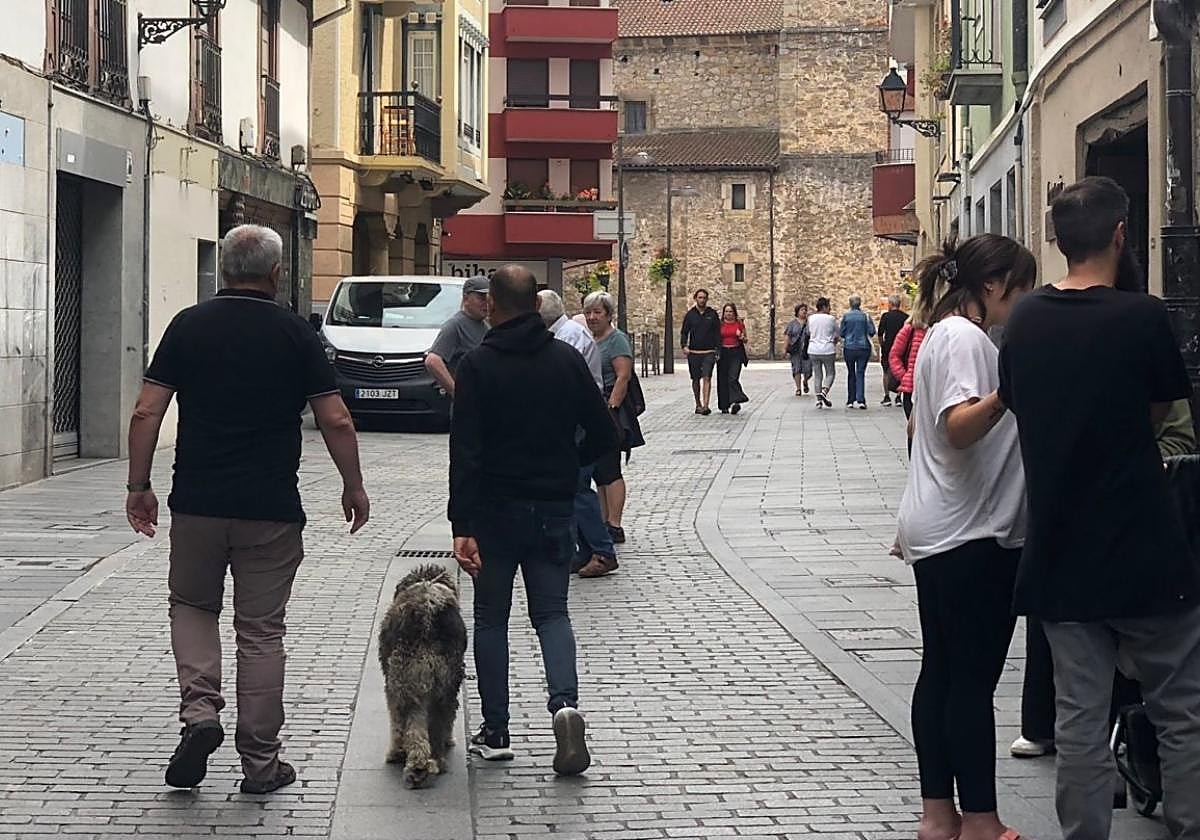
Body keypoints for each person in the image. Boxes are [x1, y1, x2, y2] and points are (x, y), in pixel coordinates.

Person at [125, 225, 371, 794]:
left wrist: (139, 484)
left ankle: (200, 713)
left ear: (223, 271)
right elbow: (334, 418)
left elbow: (146, 412)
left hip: (199, 504)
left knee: (191, 605)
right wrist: (352, 484)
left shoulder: (189, 325)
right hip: (270, 507)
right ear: (276, 273)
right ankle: (262, 765)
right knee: (261, 632)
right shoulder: (295, 333)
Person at [1001, 176, 1200, 840]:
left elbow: (1020, 405)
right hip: (1145, 543)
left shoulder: (1025, 320)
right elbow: (1161, 415)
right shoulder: (1141, 317)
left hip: (1061, 545)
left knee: (1078, 719)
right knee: (1180, 708)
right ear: (1121, 234)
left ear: (1057, 241)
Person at [449, 265, 618, 775]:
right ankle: (565, 706)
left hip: (495, 512)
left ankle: (496, 731)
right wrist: (568, 461)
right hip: (552, 509)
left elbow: (465, 452)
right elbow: (604, 434)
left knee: (491, 618)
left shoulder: (477, 366)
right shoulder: (566, 360)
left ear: (495, 306)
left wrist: (462, 524)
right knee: (552, 615)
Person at [897, 233, 1037, 840]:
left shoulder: (942, 337)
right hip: (971, 532)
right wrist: (1010, 393)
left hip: (948, 525)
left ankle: (939, 815)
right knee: (970, 681)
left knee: (945, 672)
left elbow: (920, 431)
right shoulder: (963, 337)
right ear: (991, 287)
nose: (1023, 300)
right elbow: (957, 427)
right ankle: (980, 819)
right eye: (1021, 286)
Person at [536, 290, 616, 577]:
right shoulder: (565, 333)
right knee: (574, 488)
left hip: (578, 423)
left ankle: (603, 551)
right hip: (577, 419)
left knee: (579, 488)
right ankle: (585, 550)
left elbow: (563, 384)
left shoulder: (567, 338)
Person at [583, 291, 640, 564]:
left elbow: (623, 376)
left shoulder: (616, 340)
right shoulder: (591, 338)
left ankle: (614, 523)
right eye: (589, 313)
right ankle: (605, 520)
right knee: (600, 471)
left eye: (597, 312)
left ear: (609, 315)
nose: (592, 317)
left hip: (609, 410)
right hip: (593, 410)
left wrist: (611, 410)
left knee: (610, 469)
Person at [424, 276, 490, 399]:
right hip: (467, 404)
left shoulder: (486, 325)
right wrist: (456, 393)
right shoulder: (456, 325)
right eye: (481, 298)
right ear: (466, 298)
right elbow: (432, 361)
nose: (486, 303)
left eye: (489, 298)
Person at [680, 288, 721, 415]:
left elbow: (717, 333)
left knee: (707, 377)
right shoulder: (690, 315)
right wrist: (684, 346)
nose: (702, 300)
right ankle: (698, 403)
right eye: (700, 297)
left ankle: (706, 405)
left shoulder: (712, 314)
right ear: (695, 299)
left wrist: (718, 350)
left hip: (709, 351)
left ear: (707, 299)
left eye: (704, 298)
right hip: (694, 352)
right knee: (695, 379)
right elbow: (684, 332)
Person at [888, 308, 927, 421]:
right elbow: (894, 355)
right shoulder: (910, 329)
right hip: (911, 388)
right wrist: (904, 376)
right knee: (914, 429)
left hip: (929, 389)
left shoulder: (938, 330)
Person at [839, 295, 876, 410]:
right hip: (863, 347)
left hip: (849, 347)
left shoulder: (846, 316)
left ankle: (850, 399)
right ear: (859, 304)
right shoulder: (865, 316)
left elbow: (841, 333)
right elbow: (871, 331)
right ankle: (861, 399)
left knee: (851, 372)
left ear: (850, 304)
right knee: (860, 372)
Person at [716, 303, 750, 415]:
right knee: (723, 380)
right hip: (723, 353)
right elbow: (716, 339)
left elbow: (745, 339)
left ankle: (737, 400)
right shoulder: (720, 324)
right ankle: (724, 405)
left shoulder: (739, 324)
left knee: (733, 377)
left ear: (734, 313)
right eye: (726, 311)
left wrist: (741, 336)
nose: (728, 314)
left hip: (736, 352)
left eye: (730, 311)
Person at [878, 295, 909, 406]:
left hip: (888, 346)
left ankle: (887, 396)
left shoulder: (886, 316)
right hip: (902, 347)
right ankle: (898, 396)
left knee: (886, 371)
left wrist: (882, 345)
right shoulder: (905, 317)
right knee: (902, 371)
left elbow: (880, 333)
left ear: (890, 304)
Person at [807, 298, 837, 408]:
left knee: (817, 374)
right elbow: (836, 334)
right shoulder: (831, 319)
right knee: (830, 373)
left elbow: (808, 332)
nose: (830, 308)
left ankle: (818, 400)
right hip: (828, 349)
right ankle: (824, 392)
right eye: (829, 306)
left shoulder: (811, 318)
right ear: (824, 307)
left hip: (813, 349)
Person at [784, 303, 812, 396]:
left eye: (805, 310)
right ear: (797, 312)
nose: (804, 311)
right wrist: (785, 348)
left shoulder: (810, 323)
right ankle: (798, 388)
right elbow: (787, 336)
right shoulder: (792, 324)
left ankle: (805, 380)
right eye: (802, 310)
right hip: (796, 349)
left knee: (808, 369)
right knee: (796, 368)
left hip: (807, 349)